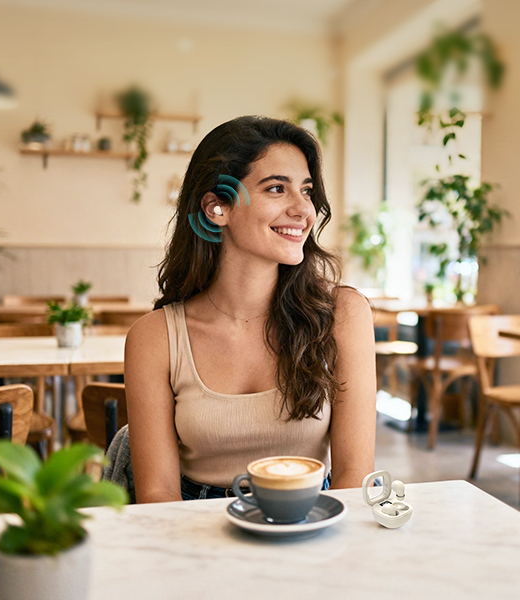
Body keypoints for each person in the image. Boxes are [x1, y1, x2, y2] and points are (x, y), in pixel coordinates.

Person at [125, 115, 376, 503]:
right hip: (191, 533)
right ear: (217, 208)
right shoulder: (154, 337)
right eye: (277, 188)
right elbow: (157, 494)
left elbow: (354, 474)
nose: (304, 210)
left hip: (311, 521)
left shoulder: (344, 315)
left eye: (306, 191)